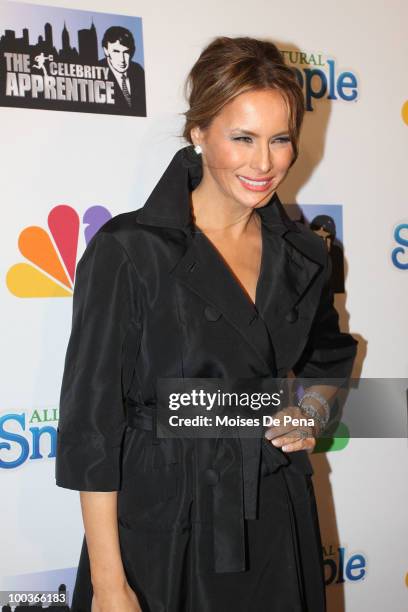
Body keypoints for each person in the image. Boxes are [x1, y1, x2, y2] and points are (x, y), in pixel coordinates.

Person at [55, 36, 358, 612]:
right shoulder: (130, 250)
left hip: (273, 507)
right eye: (241, 138)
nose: (263, 163)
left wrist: (311, 411)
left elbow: (329, 358)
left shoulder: (305, 254)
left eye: (279, 139)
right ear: (198, 133)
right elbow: (92, 428)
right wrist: (110, 584)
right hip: (164, 521)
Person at [99, 26, 146, 116]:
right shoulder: (97, 71)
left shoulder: (138, 71)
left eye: (126, 52)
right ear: (106, 51)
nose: (122, 59)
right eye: (116, 51)